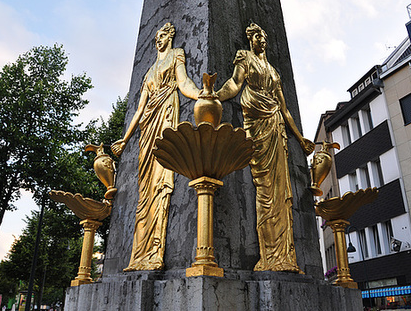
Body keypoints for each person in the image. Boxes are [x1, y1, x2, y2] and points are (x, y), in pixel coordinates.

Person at [216, 23, 314, 272]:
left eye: (265, 35)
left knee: (280, 191)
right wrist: (213, 95)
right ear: (250, 38)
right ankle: (269, 254)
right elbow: (235, 85)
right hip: (257, 127)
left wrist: (301, 139)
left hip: (275, 127)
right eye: (259, 35)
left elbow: (284, 109)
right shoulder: (245, 58)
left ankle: (283, 256)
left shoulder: (273, 71)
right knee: (266, 191)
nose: (263, 39)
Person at [111, 22, 199, 271]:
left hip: (166, 115)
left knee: (161, 183)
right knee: (146, 188)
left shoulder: (176, 54)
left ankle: (155, 252)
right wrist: (125, 139)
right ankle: (139, 255)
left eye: (161, 36)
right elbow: (139, 109)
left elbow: (183, 83)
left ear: (169, 37)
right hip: (148, 126)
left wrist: (201, 93)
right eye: (156, 37)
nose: (157, 40)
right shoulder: (149, 72)